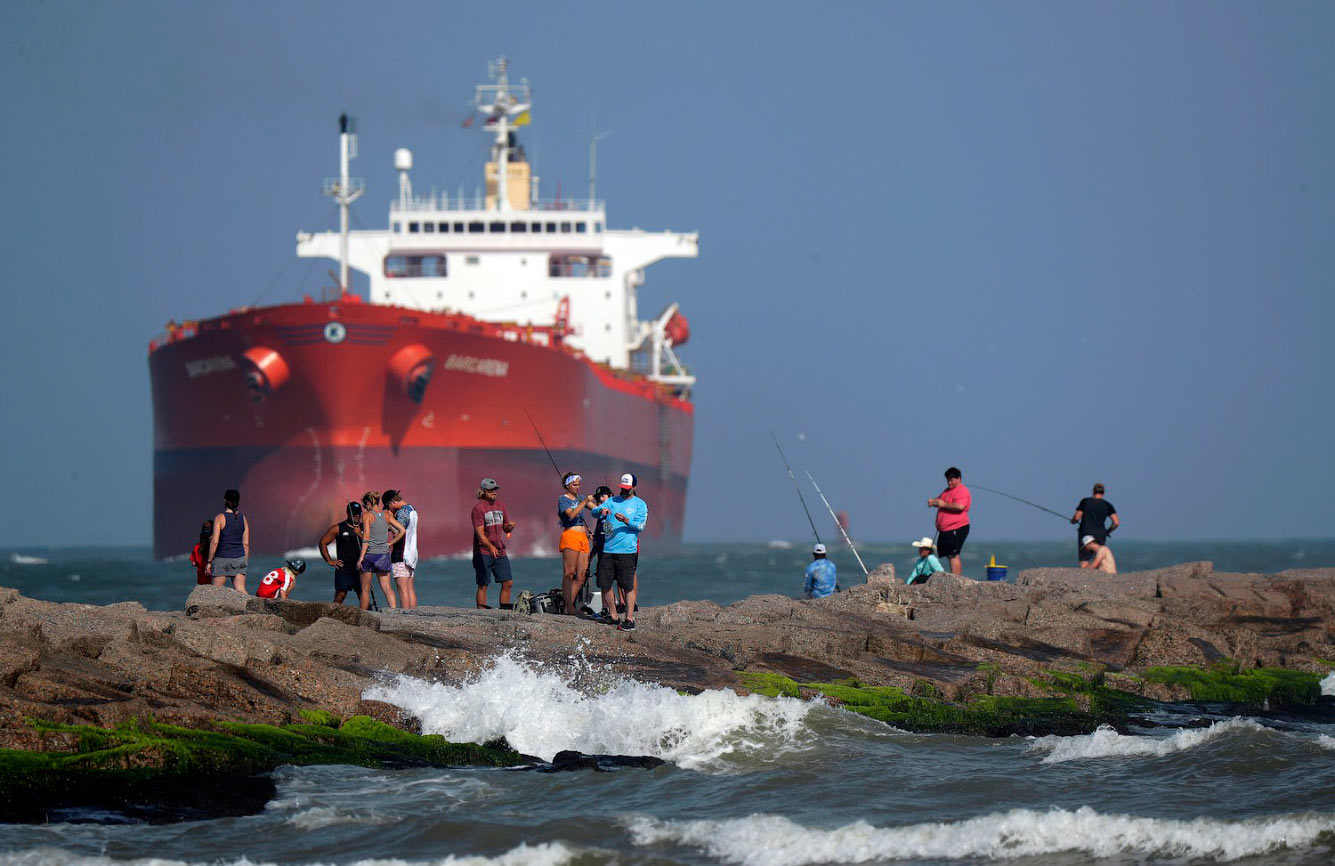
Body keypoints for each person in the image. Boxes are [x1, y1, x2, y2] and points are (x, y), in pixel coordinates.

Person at [592, 473, 647, 630]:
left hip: (627, 551)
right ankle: (614, 616)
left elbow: (640, 526)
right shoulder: (611, 501)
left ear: (634, 487)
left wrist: (626, 520)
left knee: (627, 585)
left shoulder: (640, 505)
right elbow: (594, 511)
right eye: (622, 488)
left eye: (627, 489)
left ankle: (629, 619)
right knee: (605, 583)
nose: (624, 491)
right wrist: (600, 512)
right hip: (609, 549)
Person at [472, 477, 517, 609]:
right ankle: (480, 613)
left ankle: (503, 610)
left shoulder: (501, 506)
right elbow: (480, 534)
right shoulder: (478, 509)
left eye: (495, 489)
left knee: (508, 582)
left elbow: (505, 528)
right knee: (483, 584)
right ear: (484, 491)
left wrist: (510, 527)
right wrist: (490, 547)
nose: (494, 492)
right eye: (491, 490)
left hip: (499, 550)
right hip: (483, 551)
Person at [359, 491, 404, 609]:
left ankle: (363, 616)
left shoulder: (367, 516)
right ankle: (394, 614)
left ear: (368, 502)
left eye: (364, 505)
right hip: (383, 555)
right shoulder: (387, 515)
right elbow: (402, 530)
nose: (365, 508)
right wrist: (390, 543)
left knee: (365, 590)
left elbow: (366, 538)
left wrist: (361, 558)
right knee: (387, 588)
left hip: (369, 555)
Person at [557, 473, 594, 615]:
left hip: (583, 538)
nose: (577, 487)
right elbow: (571, 515)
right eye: (574, 484)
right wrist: (584, 502)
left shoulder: (581, 498)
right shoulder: (563, 499)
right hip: (570, 536)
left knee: (582, 576)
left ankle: (568, 605)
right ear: (567, 485)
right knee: (569, 573)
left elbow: (595, 508)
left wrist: (605, 502)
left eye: (578, 484)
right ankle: (569, 606)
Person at [319, 501, 365, 607]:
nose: (357, 516)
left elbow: (372, 544)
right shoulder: (338, 528)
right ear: (348, 513)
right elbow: (323, 542)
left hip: (361, 568)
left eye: (359, 513)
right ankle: (332, 619)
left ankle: (368, 619)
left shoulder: (364, 528)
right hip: (344, 568)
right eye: (354, 513)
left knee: (363, 595)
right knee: (340, 596)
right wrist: (330, 561)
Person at [927, 467, 970, 575]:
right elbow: (939, 501)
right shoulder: (947, 491)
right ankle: (955, 577)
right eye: (948, 480)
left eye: (952, 479)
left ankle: (956, 579)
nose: (949, 482)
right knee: (949, 554)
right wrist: (933, 502)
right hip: (945, 529)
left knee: (953, 555)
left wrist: (943, 504)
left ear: (959, 479)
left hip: (957, 527)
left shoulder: (962, 490)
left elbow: (960, 506)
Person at [206, 489, 250, 592]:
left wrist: (209, 561)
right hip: (240, 557)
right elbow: (246, 544)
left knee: (216, 591)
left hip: (222, 558)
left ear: (225, 501)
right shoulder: (243, 518)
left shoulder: (220, 518)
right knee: (241, 589)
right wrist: (244, 561)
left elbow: (215, 541)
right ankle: (250, 607)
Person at [385, 490, 419, 609]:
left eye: (388, 506)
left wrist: (389, 520)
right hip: (412, 552)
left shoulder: (402, 512)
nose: (390, 510)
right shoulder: (412, 509)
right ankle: (414, 615)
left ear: (391, 502)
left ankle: (405, 617)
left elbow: (399, 532)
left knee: (402, 589)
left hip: (401, 553)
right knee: (409, 588)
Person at [1071, 483, 1120, 566]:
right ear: (1103, 493)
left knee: (1084, 561)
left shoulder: (1085, 501)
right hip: (1100, 534)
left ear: (1093, 491)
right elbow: (1116, 523)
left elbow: (1077, 517)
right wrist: (1107, 532)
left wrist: (1073, 521)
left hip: (1086, 534)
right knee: (1098, 560)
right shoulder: (1108, 505)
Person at [583, 485, 614, 611]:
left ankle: (608, 609)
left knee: (606, 583)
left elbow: (609, 533)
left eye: (603, 496)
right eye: (598, 497)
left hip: (606, 552)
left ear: (610, 496)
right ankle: (604, 609)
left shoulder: (608, 514)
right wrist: (594, 537)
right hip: (600, 550)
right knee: (602, 583)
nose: (600, 499)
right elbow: (585, 502)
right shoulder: (600, 514)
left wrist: (598, 539)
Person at [189, 520, 213, 586]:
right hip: (213, 580)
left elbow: (193, 563)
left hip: (201, 580)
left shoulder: (197, 547)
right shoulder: (215, 548)